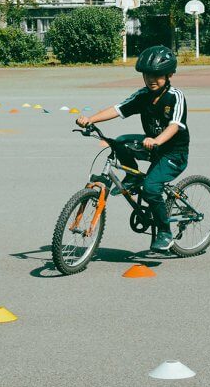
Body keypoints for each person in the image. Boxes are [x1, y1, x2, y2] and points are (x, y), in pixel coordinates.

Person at [76, 45, 189, 252]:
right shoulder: (143, 95)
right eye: (147, 75)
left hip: (173, 152)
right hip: (152, 146)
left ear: (169, 74)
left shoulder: (175, 97)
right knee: (119, 141)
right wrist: (90, 119)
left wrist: (157, 140)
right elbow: (118, 109)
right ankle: (134, 177)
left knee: (151, 188)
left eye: (157, 75)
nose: (151, 79)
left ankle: (165, 232)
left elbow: (174, 126)